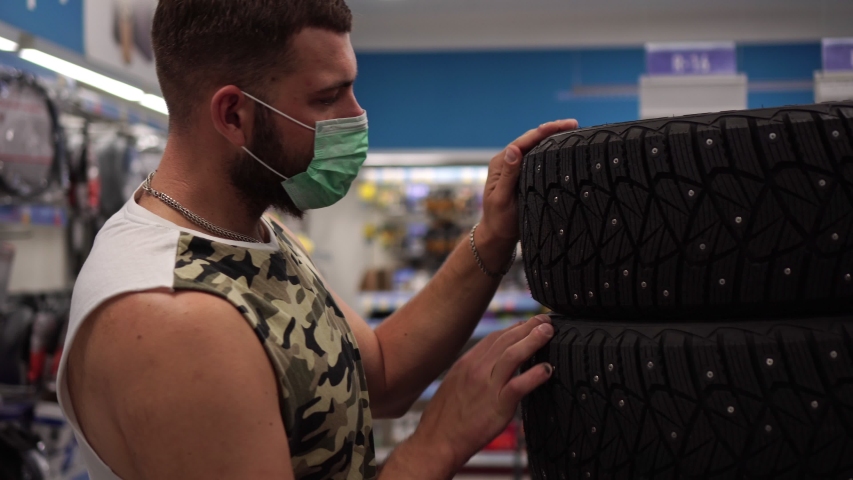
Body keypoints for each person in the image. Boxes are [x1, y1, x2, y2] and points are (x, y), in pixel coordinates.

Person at [56, 1, 578, 479]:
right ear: (233, 114)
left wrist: (492, 235)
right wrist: (436, 442)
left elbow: (382, 373)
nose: (356, 116)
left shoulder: (249, 234)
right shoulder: (176, 318)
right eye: (328, 97)